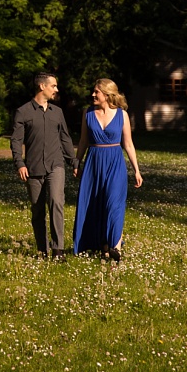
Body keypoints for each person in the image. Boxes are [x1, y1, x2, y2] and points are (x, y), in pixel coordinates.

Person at [72, 78, 143, 262]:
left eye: (97, 92)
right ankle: (102, 245)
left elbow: (128, 144)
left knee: (114, 205)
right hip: (93, 163)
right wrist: (76, 162)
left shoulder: (122, 115)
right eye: (94, 91)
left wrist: (136, 170)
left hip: (115, 163)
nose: (93, 94)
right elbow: (83, 141)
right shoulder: (87, 113)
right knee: (94, 205)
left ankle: (115, 248)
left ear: (107, 94)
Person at [11, 73, 76, 260]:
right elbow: (16, 141)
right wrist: (20, 164)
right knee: (37, 210)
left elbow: (65, 138)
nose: (56, 89)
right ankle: (42, 250)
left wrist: (73, 161)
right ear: (42, 86)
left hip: (56, 165)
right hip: (32, 168)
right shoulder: (23, 112)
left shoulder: (58, 112)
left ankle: (58, 250)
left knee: (56, 202)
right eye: (53, 86)